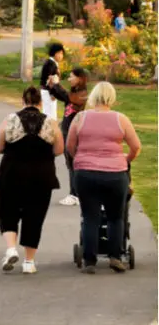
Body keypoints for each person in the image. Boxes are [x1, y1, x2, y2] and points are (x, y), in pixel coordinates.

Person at [66, 82, 141, 274]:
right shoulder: (121, 119)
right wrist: (125, 160)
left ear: (93, 96)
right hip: (115, 174)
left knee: (90, 216)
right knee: (116, 217)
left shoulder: (80, 118)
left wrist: (81, 160)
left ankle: (89, 259)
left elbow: (69, 145)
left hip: (86, 173)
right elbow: (136, 147)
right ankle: (115, 256)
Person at [0, 87, 64, 275]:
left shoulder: (11, 119)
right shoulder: (51, 123)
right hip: (41, 175)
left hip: (12, 173)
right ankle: (29, 262)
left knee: (8, 211)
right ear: (41, 103)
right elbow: (59, 150)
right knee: (35, 216)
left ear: (23, 101)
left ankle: (11, 249)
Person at [54, 68, 89, 206]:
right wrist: (52, 86)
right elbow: (63, 96)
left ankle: (75, 194)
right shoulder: (75, 92)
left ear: (79, 79)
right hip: (66, 130)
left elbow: (67, 97)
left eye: (71, 77)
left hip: (73, 133)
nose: (69, 79)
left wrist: (57, 84)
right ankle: (75, 193)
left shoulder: (82, 94)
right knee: (70, 163)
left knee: (74, 163)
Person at [40, 43, 65, 121]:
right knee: (49, 115)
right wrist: (52, 93)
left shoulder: (53, 63)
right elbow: (49, 80)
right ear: (53, 53)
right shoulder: (50, 64)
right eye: (59, 53)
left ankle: (50, 131)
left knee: (50, 113)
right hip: (48, 92)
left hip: (50, 92)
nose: (61, 56)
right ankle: (49, 131)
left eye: (62, 53)